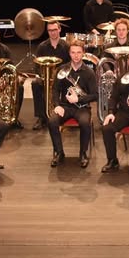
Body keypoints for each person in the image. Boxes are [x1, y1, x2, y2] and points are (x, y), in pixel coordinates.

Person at [47, 40, 98, 168]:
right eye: (73, 52)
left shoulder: (89, 72)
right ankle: (59, 153)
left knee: (85, 123)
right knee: (52, 121)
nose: (76, 55)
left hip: (82, 108)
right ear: (69, 53)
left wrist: (79, 100)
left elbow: (95, 95)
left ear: (83, 53)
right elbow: (55, 90)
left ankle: (83, 153)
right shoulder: (62, 69)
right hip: (64, 107)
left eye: (79, 52)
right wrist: (57, 105)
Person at [31, 21, 71, 130]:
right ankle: (41, 117)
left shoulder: (66, 46)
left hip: (62, 78)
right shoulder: (42, 47)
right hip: (46, 78)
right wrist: (42, 76)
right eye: (50, 30)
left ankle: (65, 113)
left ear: (59, 29)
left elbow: (70, 65)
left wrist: (62, 75)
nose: (52, 32)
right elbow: (37, 66)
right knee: (35, 83)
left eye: (54, 30)